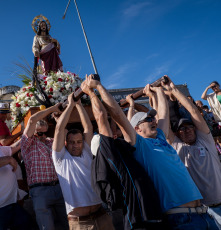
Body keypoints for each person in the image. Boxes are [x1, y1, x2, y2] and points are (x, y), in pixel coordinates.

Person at [127, 80, 218, 229]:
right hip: (181, 219)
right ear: (137, 129)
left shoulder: (160, 139)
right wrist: (131, 105)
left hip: (203, 213)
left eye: (152, 118)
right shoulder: (141, 147)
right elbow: (125, 123)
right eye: (148, 119)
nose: (153, 120)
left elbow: (163, 114)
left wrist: (159, 90)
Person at [164, 77, 221, 229]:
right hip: (207, 212)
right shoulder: (178, 147)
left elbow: (193, 111)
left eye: (190, 126)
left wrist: (174, 90)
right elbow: (165, 125)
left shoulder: (205, 140)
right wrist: (159, 95)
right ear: (177, 134)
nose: (187, 129)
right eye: (182, 128)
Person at [83, 76, 163, 229]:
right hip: (139, 223)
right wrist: (91, 92)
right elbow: (101, 117)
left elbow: (118, 117)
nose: (115, 135)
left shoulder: (125, 153)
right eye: (110, 136)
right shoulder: (110, 154)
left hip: (155, 218)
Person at [52, 93, 115, 230]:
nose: (76, 145)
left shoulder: (86, 152)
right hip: (80, 223)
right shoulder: (60, 159)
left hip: (102, 214)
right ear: (66, 143)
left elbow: (88, 128)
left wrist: (79, 104)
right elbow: (59, 129)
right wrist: (70, 105)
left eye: (79, 142)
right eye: (72, 142)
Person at [21, 103, 68, 230]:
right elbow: (31, 120)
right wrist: (53, 108)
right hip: (40, 190)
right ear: (33, 132)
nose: (42, 137)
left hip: (58, 186)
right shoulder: (27, 144)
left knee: (69, 222)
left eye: (44, 133)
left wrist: (59, 120)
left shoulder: (50, 141)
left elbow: (65, 135)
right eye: (38, 133)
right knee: (46, 226)